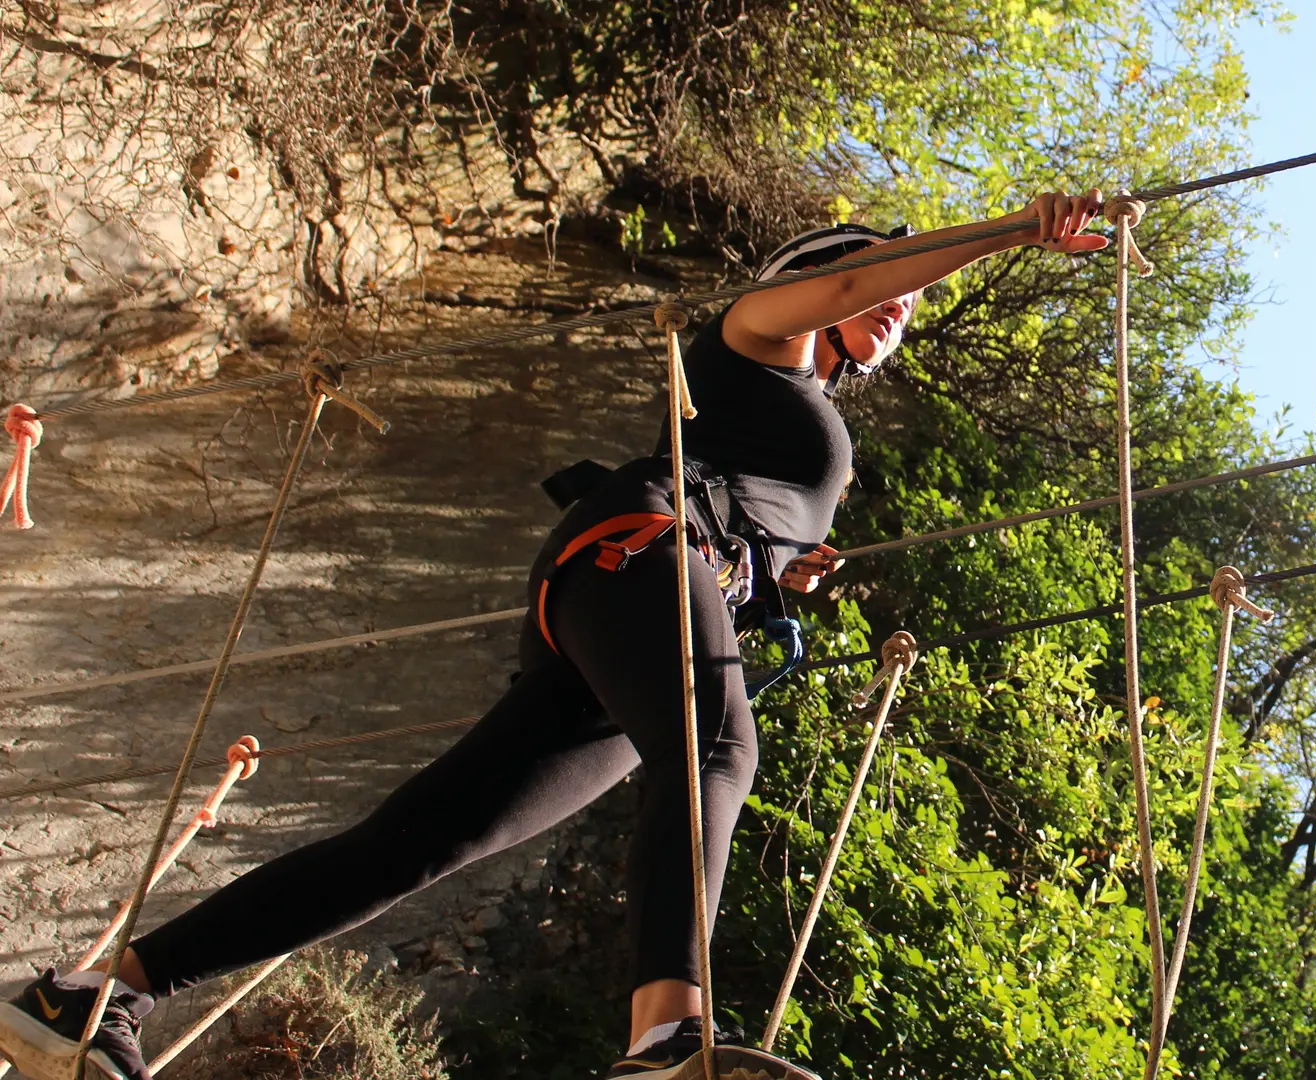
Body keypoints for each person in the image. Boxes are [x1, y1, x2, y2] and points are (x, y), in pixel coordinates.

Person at [0, 191, 1110, 1080]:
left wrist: (777, 567)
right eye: (881, 275)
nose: (899, 301)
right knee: (718, 749)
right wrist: (1015, 231)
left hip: (645, 596)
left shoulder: (804, 419)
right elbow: (853, 287)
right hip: (637, 552)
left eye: (904, 297)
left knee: (415, 847)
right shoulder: (750, 336)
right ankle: (665, 1041)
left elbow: (747, 491)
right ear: (818, 275)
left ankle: (91, 996)